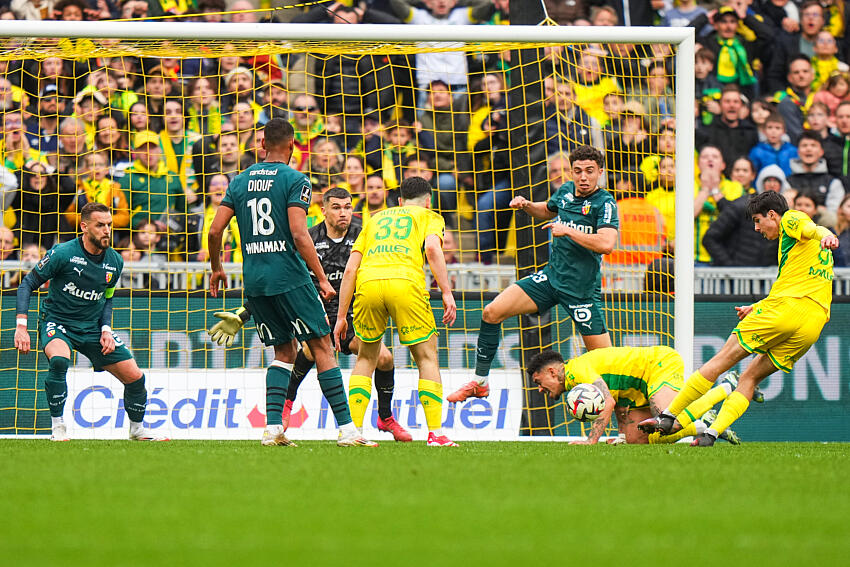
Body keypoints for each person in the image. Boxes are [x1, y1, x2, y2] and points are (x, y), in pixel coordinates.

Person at [207, 118, 375, 448]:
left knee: (283, 351)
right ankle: (348, 430)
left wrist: (216, 268)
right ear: (293, 144)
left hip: (254, 279)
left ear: (261, 144)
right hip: (289, 275)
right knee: (323, 347)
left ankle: (273, 429)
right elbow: (300, 234)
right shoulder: (295, 179)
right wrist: (323, 279)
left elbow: (214, 231)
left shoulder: (238, 181)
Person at [207, 187, 413, 442]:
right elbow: (284, 280)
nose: (343, 213)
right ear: (323, 209)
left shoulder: (363, 236)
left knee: (384, 358)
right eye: (336, 207)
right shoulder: (309, 238)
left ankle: (385, 417)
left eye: (348, 207)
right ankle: (287, 404)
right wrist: (245, 312)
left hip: (350, 315)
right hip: (313, 311)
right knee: (309, 349)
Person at [640, 191, 839, 446]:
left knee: (719, 362)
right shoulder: (798, 248)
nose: (756, 228)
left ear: (771, 215)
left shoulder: (791, 218)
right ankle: (712, 434)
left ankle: (668, 416)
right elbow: (795, 284)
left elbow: (814, 228)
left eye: (758, 220)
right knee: (750, 378)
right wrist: (757, 307)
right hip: (813, 323)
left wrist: (828, 236)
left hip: (785, 310)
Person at [448, 145, 618, 402]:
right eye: (578, 171)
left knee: (608, 365)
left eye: (589, 171)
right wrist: (527, 206)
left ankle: (625, 425)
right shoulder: (564, 192)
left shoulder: (604, 203)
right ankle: (480, 383)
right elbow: (547, 210)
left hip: (581, 291)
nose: (583, 177)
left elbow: (606, 244)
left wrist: (568, 231)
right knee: (491, 312)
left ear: (600, 172)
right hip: (551, 278)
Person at [14, 202, 166, 442]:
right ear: (84, 227)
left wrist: (105, 329)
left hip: (92, 328)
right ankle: (58, 427)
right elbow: (26, 284)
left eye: (109, 225)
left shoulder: (115, 261)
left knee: (136, 377)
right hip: (58, 322)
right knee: (60, 361)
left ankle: (137, 430)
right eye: (100, 225)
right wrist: (21, 326)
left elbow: (107, 298)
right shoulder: (62, 253)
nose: (107, 230)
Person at [333, 176, 458, 446]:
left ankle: (352, 432)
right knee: (426, 357)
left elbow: (351, 268)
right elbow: (434, 249)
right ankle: (435, 433)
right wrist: (446, 292)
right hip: (405, 283)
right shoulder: (429, 215)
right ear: (428, 200)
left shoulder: (375, 219)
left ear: (400, 201)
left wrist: (342, 316)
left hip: (368, 284)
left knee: (366, 358)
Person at [527, 347, 750, 445]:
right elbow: (616, 400)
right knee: (638, 439)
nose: (539, 389)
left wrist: (591, 440)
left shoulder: (576, 372)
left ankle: (726, 387)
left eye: (538, 382)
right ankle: (702, 425)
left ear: (552, 372)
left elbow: (608, 400)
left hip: (658, 365)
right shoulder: (577, 376)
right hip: (638, 388)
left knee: (666, 422)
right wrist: (623, 434)